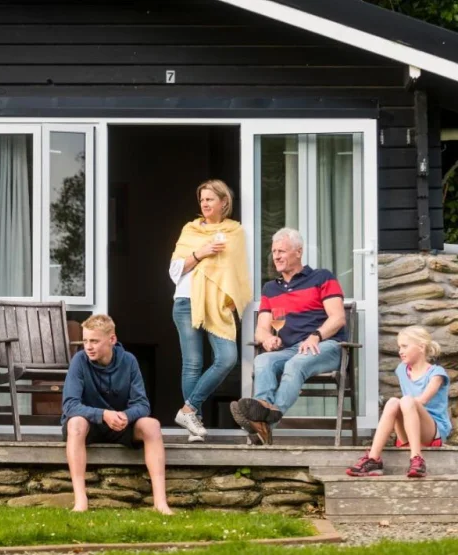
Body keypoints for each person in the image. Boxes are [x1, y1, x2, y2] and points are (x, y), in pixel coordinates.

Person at [230, 227, 346, 445]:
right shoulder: (270, 289)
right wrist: (267, 338)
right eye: (274, 252)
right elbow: (261, 329)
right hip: (291, 349)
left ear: (298, 252)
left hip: (326, 346)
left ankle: (262, 423)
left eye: (281, 251)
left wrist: (316, 336)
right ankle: (262, 413)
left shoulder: (322, 277)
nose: (276, 256)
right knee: (263, 360)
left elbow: (338, 318)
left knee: (295, 364)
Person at [61, 314, 172, 515]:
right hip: (89, 425)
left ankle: (160, 503)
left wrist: (126, 416)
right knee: (75, 423)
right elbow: (70, 405)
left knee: (152, 425)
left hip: (121, 425)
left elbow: (142, 404)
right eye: (85, 341)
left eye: (94, 341)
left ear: (112, 339)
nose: (88, 347)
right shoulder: (79, 361)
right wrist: (103, 414)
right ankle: (81, 501)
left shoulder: (129, 361)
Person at [169, 179, 251, 443]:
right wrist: (200, 253)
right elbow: (174, 271)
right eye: (202, 199)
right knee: (192, 364)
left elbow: (238, 271)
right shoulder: (190, 230)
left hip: (217, 304)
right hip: (186, 301)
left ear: (223, 202)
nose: (204, 204)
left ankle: (188, 410)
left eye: (210, 199)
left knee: (227, 358)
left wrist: (233, 296)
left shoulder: (235, 232)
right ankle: (195, 425)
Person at [347, 326, 451, 478]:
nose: (400, 351)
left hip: (434, 433)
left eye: (405, 346)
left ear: (421, 347)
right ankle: (373, 459)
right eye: (399, 347)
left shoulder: (437, 373)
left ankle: (417, 458)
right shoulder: (401, 369)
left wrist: (406, 403)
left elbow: (423, 400)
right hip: (408, 431)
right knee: (392, 402)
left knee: (406, 400)